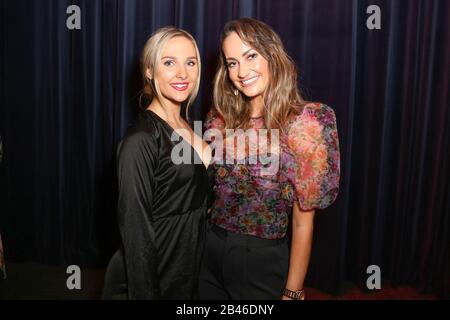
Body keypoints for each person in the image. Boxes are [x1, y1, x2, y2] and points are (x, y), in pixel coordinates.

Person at [199, 18, 340, 300]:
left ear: (272, 56)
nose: (241, 71)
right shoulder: (219, 119)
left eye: (250, 55)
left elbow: (303, 223)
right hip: (209, 251)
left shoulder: (306, 122)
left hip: (261, 261)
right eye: (232, 62)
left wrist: (294, 292)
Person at [102, 27, 212, 300]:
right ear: (149, 71)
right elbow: (136, 234)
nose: (182, 73)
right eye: (169, 62)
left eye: (190, 62)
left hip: (184, 268)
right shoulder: (139, 140)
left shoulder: (187, 126)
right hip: (149, 279)